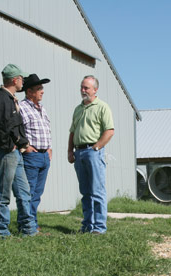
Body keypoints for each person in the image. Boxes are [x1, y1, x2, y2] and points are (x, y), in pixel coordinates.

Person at [0, 64, 38, 237]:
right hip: (5, 153)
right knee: (3, 194)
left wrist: (21, 143)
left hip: (15, 153)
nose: (23, 81)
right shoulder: (0, 100)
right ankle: (2, 232)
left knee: (24, 192)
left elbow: (12, 127)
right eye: (21, 78)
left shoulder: (11, 99)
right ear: (15, 80)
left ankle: (28, 229)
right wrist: (8, 145)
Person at [67, 75, 114, 234]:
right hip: (79, 152)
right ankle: (87, 225)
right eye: (81, 87)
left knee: (97, 191)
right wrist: (70, 151)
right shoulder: (78, 109)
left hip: (93, 152)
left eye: (86, 88)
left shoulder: (102, 107)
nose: (83, 90)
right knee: (85, 192)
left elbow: (109, 131)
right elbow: (72, 132)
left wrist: (97, 147)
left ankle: (99, 227)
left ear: (95, 90)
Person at [19, 74, 52, 231]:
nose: (42, 91)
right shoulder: (22, 107)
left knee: (37, 193)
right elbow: (17, 130)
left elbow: (46, 129)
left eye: (42, 88)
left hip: (44, 156)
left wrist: (49, 148)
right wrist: (25, 147)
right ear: (29, 91)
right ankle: (27, 226)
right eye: (39, 88)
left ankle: (32, 223)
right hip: (32, 156)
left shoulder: (42, 108)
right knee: (29, 193)